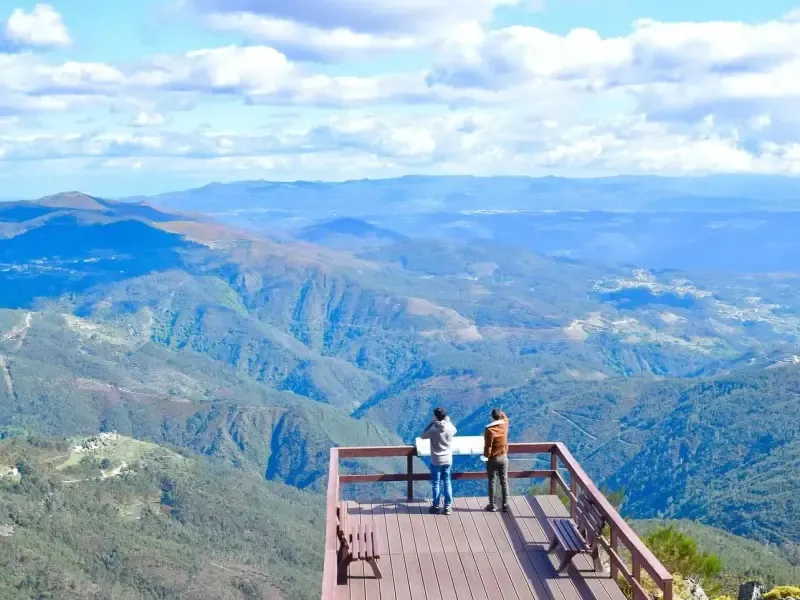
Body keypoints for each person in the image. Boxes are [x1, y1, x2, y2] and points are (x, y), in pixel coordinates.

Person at [419, 407, 457, 515]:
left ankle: (435, 506)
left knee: (436, 483)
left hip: (436, 460)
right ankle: (447, 507)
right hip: (448, 459)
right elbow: (455, 430)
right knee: (447, 482)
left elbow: (422, 435)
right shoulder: (450, 427)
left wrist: (431, 422)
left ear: (435, 417)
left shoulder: (433, 430)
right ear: (445, 416)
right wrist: (447, 421)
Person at [483, 408, 510, 512]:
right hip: (503, 457)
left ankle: (492, 505)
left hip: (493, 459)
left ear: (492, 417)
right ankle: (505, 504)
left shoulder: (489, 430)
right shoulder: (505, 424)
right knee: (504, 481)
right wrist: (501, 413)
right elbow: (504, 416)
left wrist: (486, 457)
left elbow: (488, 447)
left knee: (492, 482)